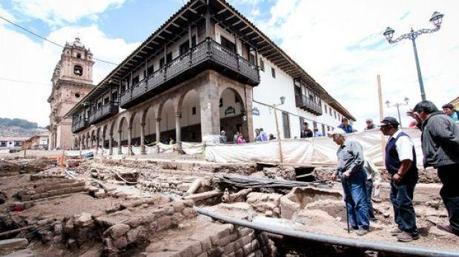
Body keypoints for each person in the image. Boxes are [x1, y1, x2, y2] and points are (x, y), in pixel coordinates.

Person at [411, 101, 459, 236]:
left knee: (450, 193)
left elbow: (447, 137)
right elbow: (432, 134)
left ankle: (457, 226)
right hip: (450, 161)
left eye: (417, 113)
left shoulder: (435, 119)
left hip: (449, 162)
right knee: (452, 191)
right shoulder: (435, 120)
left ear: (423, 111)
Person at [379, 117, 419, 242]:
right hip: (397, 176)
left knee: (404, 202)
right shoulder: (393, 138)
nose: (381, 129)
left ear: (389, 126)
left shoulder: (402, 138)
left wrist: (400, 174)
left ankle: (410, 231)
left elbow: (407, 159)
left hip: (405, 177)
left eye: (382, 126)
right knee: (396, 201)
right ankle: (402, 226)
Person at [329, 128, 370, 236]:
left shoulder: (353, 144)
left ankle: (363, 226)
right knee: (349, 201)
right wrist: (335, 172)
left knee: (359, 201)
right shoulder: (339, 150)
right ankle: (354, 224)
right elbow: (340, 164)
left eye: (334, 137)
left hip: (355, 175)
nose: (333, 140)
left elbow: (359, 160)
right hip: (345, 177)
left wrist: (350, 170)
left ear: (340, 135)